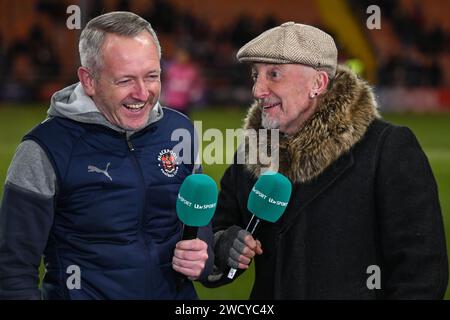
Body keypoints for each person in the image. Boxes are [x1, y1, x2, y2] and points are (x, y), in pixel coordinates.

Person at [206, 22, 448, 299]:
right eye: (255, 75)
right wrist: (224, 244)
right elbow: (215, 235)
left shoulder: (387, 148)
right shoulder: (253, 153)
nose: (257, 90)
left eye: (273, 74)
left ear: (318, 83)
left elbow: (421, 275)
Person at [0, 11, 213, 300]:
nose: (142, 93)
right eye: (125, 81)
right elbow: (13, 271)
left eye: (152, 76)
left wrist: (202, 254)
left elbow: (199, 230)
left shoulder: (181, 132)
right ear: (89, 80)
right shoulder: (44, 149)